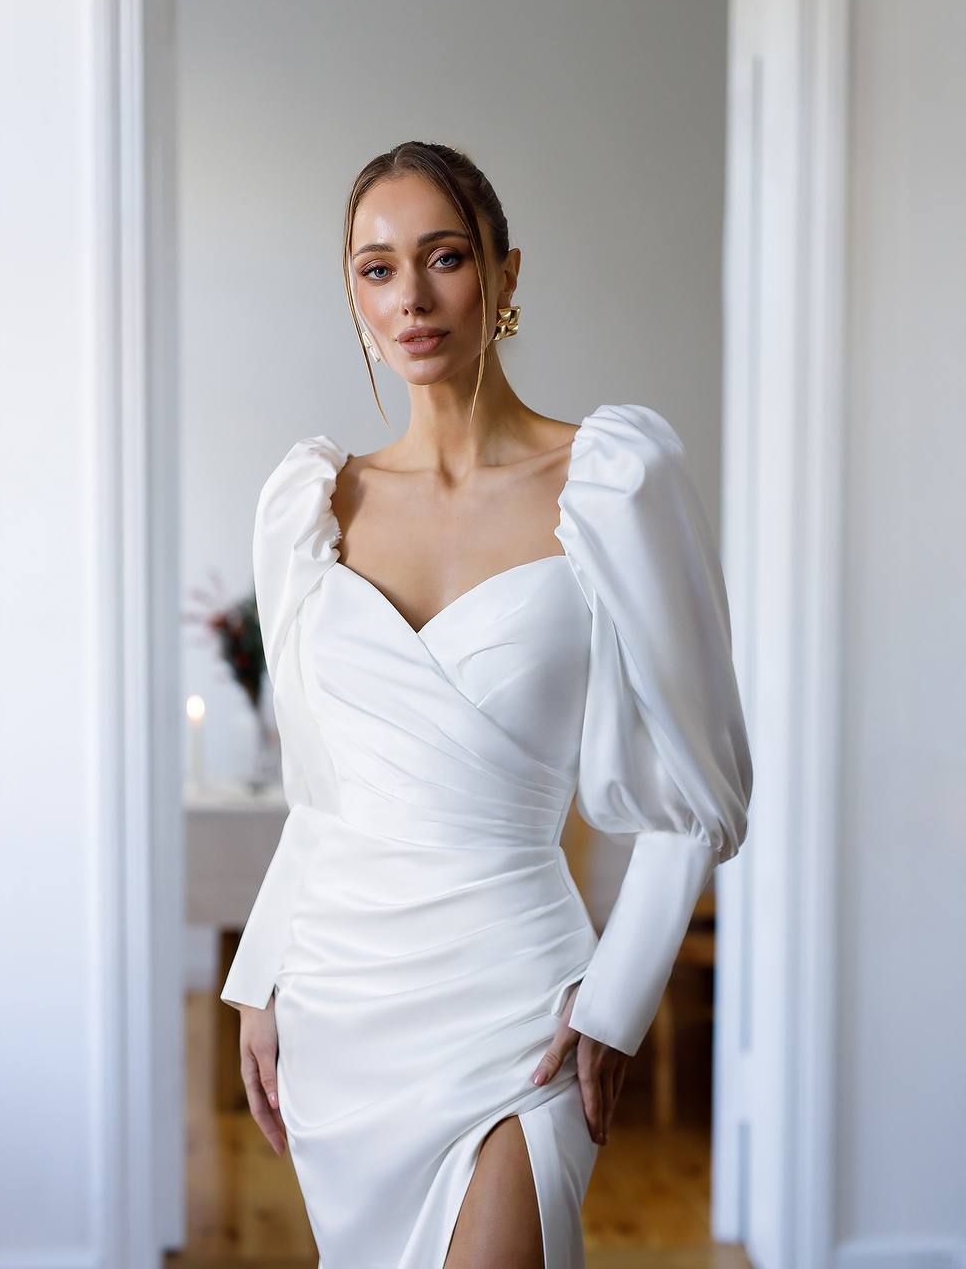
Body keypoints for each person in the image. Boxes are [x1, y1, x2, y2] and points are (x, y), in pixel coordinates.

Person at [219, 140, 754, 1269]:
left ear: (505, 274)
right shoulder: (309, 505)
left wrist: (618, 995)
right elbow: (318, 795)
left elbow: (700, 793)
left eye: (444, 257)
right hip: (339, 998)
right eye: (375, 269)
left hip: (518, 1000)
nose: (410, 297)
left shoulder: (612, 482)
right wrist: (258, 978)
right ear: (354, 297)